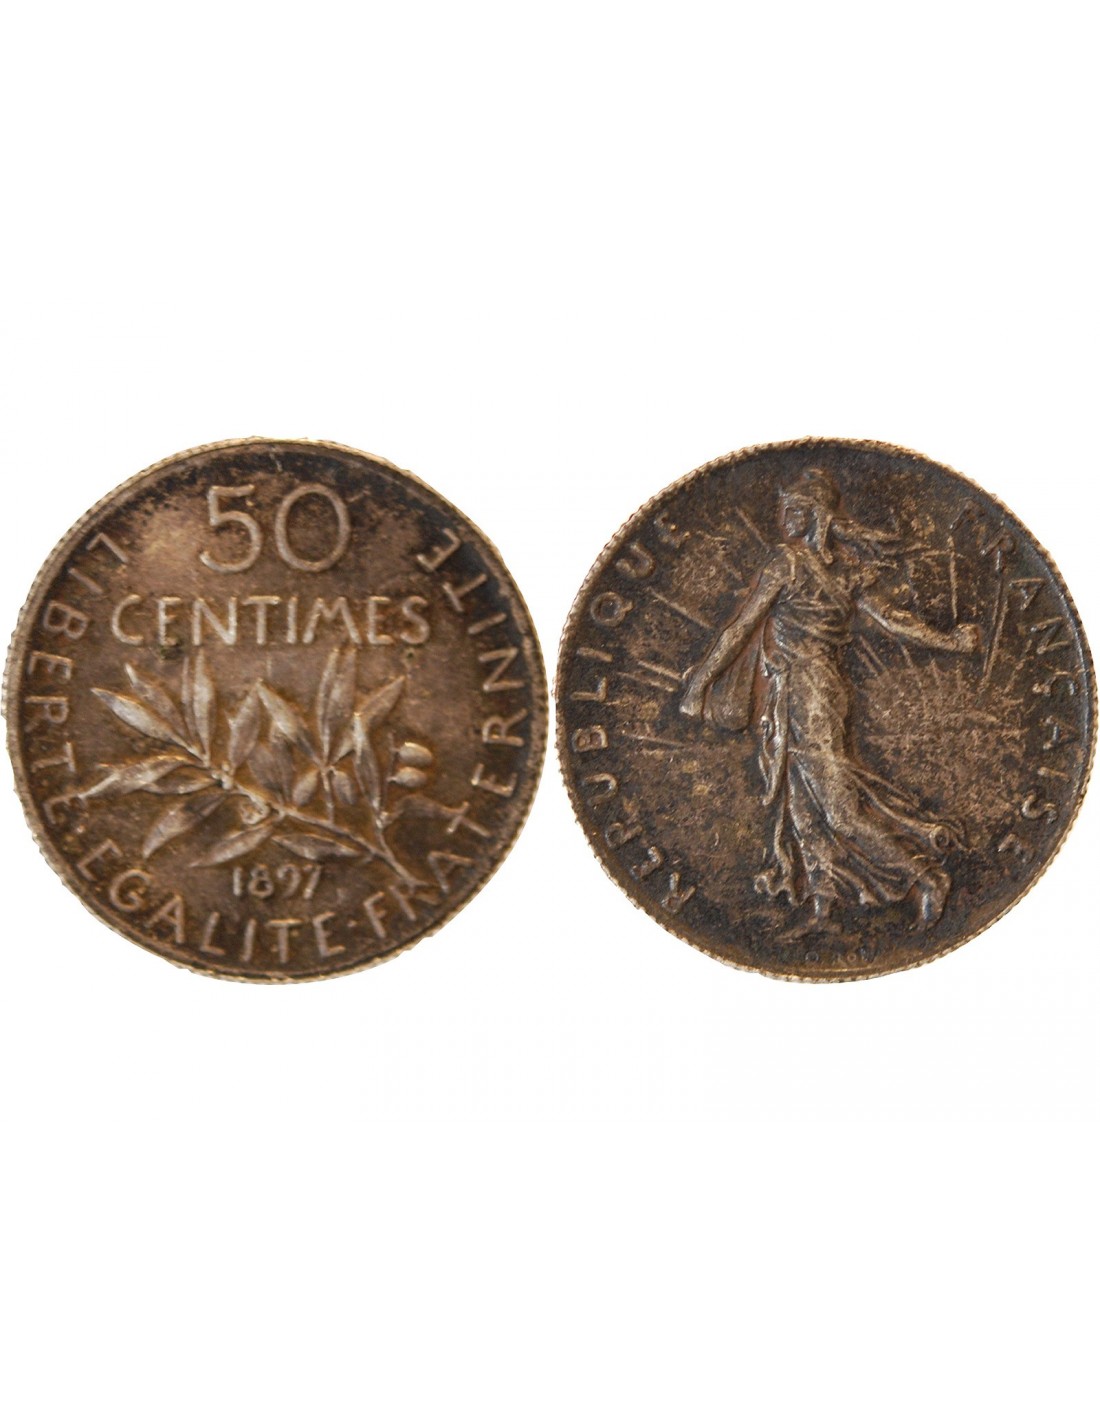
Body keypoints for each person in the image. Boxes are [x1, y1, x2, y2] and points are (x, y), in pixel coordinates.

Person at [680, 467, 981, 927]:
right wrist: (950, 642)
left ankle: (926, 876)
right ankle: (822, 907)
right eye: (786, 509)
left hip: (808, 689)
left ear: (816, 515)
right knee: (802, 805)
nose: (786, 519)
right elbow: (896, 621)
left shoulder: (788, 564)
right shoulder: (846, 572)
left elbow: (740, 627)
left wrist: (700, 684)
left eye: (796, 510)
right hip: (806, 689)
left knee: (839, 811)